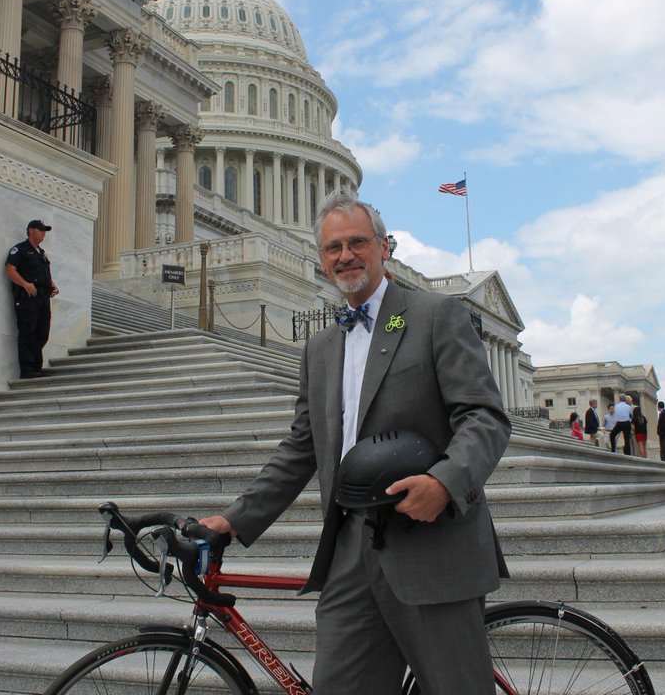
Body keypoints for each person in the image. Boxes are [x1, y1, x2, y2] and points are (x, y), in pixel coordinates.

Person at [200, 190, 511, 694]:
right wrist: (235, 518)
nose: (345, 255)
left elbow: (484, 416)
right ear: (321, 259)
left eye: (357, 242)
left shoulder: (434, 315)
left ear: (384, 247)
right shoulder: (321, 348)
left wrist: (445, 482)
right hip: (349, 549)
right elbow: (301, 447)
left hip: (429, 542)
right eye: (333, 247)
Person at [4, 219, 59, 379]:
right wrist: (25, 284)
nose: (43, 233)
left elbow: (43, 273)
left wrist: (53, 286)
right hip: (28, 297)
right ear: (31, 231)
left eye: (45, 230)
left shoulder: (41, 253)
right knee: (28, 331)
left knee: (42, 332)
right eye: (41, 230)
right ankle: (27, 369)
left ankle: (36, 366)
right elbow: (10, 270)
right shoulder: (20, 249)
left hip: (43, 297)